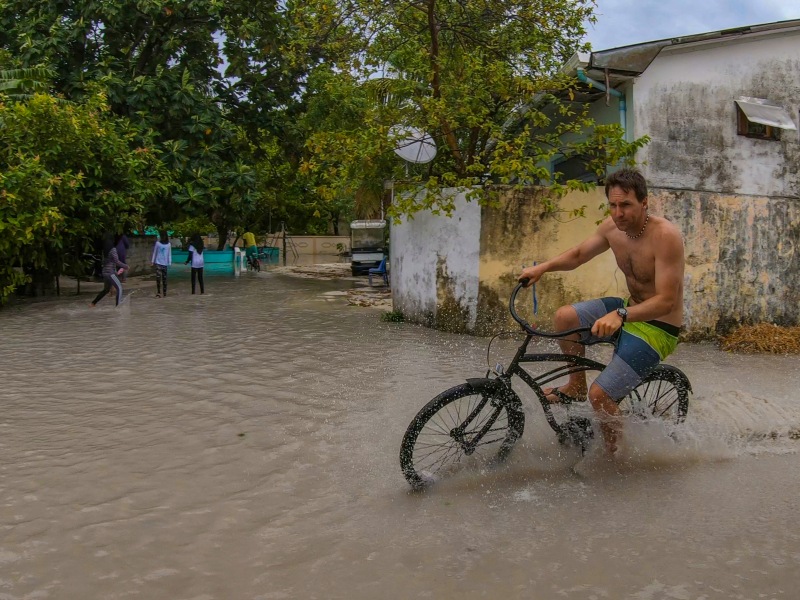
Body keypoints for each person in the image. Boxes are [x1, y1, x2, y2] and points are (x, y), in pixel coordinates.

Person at [518, 168, 685, 455]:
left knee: (601, 396)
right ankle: (575, 386)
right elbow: (579, 255)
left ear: (645, 202)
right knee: (565, 317)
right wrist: (542, 268)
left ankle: (614, 458)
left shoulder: (665, 236)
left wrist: (619, 316)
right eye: (613, 205)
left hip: (658, 326)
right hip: (629, 309)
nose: (618, 213)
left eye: (626, 205)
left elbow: (667, 301)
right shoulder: (612, 228)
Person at [90, 233, 129, 307]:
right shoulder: (113, 250)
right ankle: (118, 306)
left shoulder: (105, 251)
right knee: (119, 288)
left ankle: (93, 303)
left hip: (105, 273)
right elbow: (117, 261)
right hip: (111, 273)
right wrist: (126, 266)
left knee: (106, 290)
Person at [151, 230, 172, 298]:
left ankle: (164, 292)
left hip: (164, 263)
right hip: (158, 262)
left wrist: (169, 262)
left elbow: (169, 254)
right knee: (158, 278)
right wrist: (152, 261)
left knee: (164, 279)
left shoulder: (168, 244)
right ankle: (159, 292)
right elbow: (155, 252)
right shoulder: (158, 243)